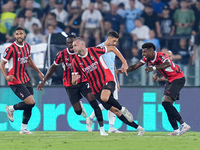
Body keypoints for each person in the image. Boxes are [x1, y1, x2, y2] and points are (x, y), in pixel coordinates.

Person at [71, 37, 145, 136]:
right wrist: (74, 80)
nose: (73, 48)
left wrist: (124, 62)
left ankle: (123, 109)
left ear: (82, 45)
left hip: (107, 79)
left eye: (75, 45)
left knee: (105, 98)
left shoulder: (94, 50)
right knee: (116, 111)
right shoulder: (75, 61)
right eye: (72, 46)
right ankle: (139, 128)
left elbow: (113, 48)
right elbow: (74, 81)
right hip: (95, 88)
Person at [36, 34, 107, 136]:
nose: (70, 45)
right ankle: (80, 106)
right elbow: (53, 67)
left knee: (94, 103)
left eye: (72, 43)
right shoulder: (62, 54)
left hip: (83, 81)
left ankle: (102, 129)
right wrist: (44, 81)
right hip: (70, 84)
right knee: (78, 112)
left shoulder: (81, 52)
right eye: (68, 43)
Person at [124, 42, 190, 135]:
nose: (143, 54)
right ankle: (176, 129)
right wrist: (124, 70)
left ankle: (183, 124)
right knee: (167, 104)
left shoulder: (161, 55)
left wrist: (153, 68)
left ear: (151, 51)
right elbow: (135, 66)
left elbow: (167, 63)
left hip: (178, 78)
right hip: (170, 80)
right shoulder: (147, 58)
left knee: (165, 102)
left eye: (145, 52)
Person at [0, 27, 44, 134]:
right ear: (15, 36)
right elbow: (2, 63)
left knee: (31, 104)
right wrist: (6, 76)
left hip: (25, 78)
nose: (19, 36)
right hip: (14, 80)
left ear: (24, 35)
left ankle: (23, 129)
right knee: (31, 102)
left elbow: (29, 60)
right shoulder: (11, 49)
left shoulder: (27, 46)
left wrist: (38, 71)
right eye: (17, 34)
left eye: (21, 33)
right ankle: (11, 108)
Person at [86, 31, 122, 133]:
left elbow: (113, 65)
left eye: (116, 41)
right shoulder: (98, 49)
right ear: (109, 38)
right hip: (103, 80)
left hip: (112, 80)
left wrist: (117, 81)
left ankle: (111, 127)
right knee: (109, 101)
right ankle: (91, 118)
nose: (115, 43)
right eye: (114, 41)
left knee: (113, 102)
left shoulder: (114, 50)